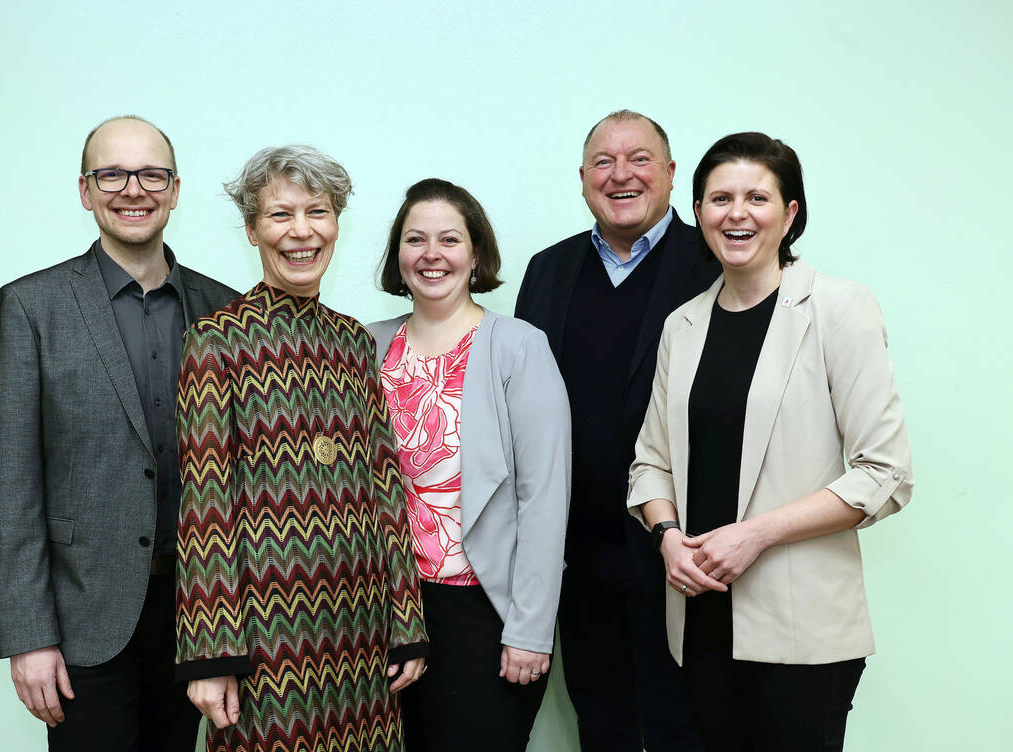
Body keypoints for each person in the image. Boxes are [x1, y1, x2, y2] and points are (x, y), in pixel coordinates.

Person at [627, 131, 913, 751]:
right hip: (699, 618)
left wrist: (754, 533)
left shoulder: (839, 308)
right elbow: (650, 462)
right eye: (719, 198)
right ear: (698, 212)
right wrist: (666, 537)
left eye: (757, 197)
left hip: (803, 627)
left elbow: (884, 473)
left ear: (789, 215)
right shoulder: (684, 324)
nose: (736, 213)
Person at [0, 115, 239, 751]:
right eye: (111, 174)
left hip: (203, 616)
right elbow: (11, 482)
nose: (133, 189)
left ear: (175, 190)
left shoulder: (225, 311)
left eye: (152, 174)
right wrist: (28, 635)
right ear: (85, 190)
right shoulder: (31, 307)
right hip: (82, 612)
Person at [175, 144, 429, 752]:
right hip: (267, 640)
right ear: (252, 230)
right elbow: (205, 509)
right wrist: (212, 654)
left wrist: (407, 623)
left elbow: (385, 485)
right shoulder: (215, 340)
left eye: (317, 212)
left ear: (336, 222)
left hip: (364, 633)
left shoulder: (351, 341)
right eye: (280, 215)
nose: (301, 232)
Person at [514, 110, 715, 751]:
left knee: (685, 726)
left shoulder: (715, 261)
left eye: (639, 159)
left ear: (671, 173)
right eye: (603, 162)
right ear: (581, 179)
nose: (620, 174)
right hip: (577, 552)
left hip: (685, 548)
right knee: (600, 724)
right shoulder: (548, 270)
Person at [366, 178, 571, 751]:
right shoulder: (365, 347)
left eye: (449, 239)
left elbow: (544, 498)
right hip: (387, 615)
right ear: (397, 255)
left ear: (475, 253)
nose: (432, 255)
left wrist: (530, 631)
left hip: (486, 614)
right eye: (415, 240)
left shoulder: (517, 346)